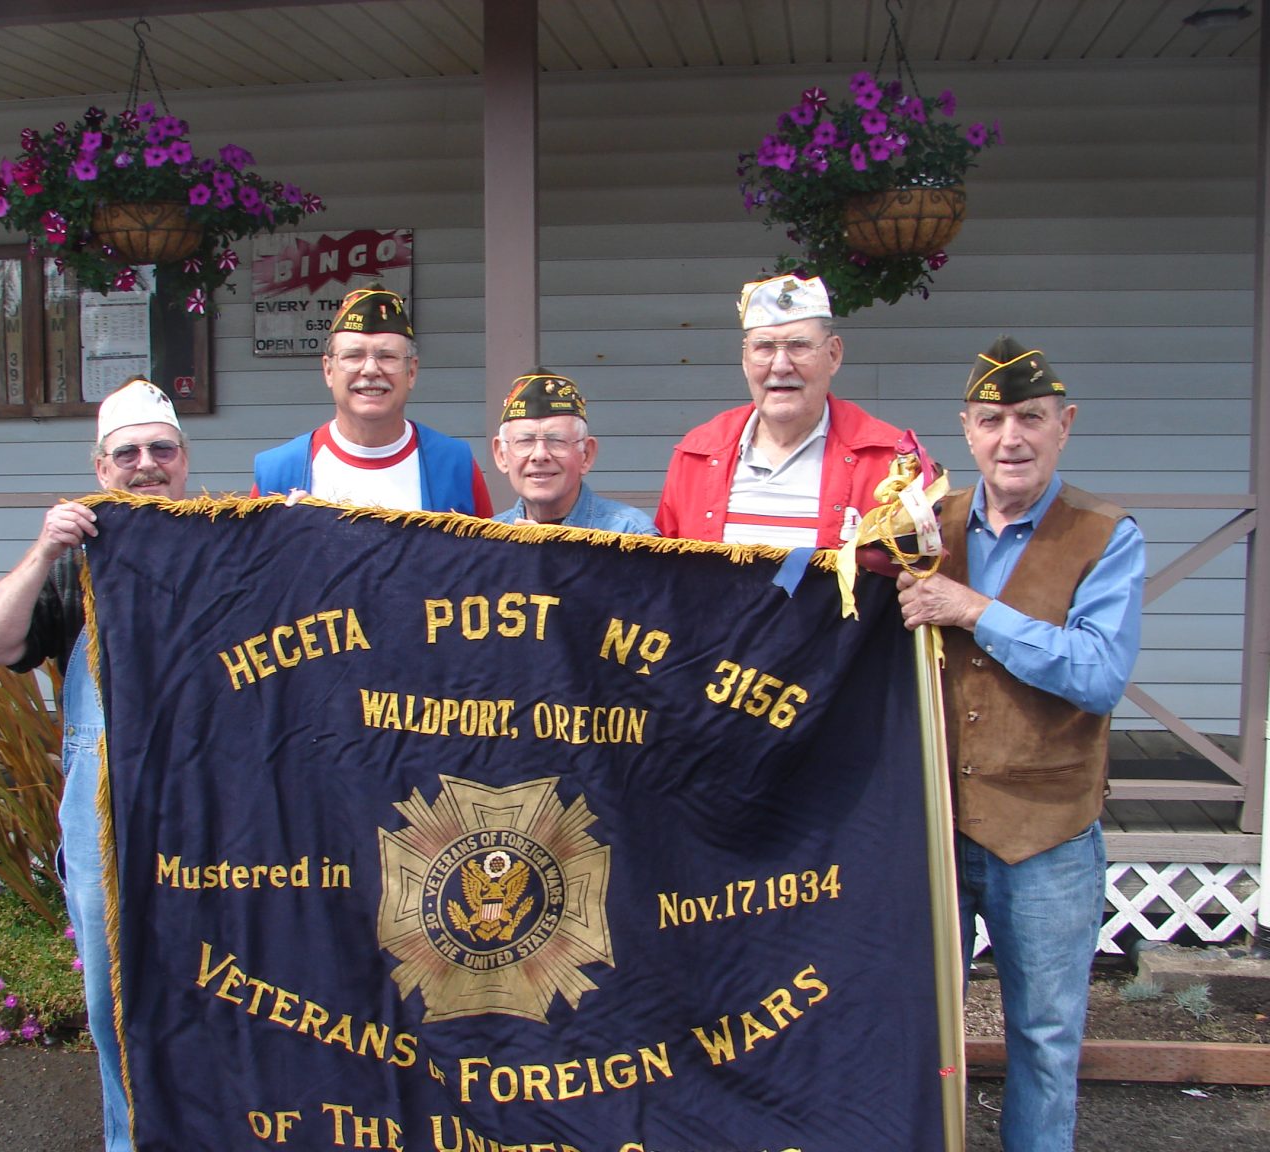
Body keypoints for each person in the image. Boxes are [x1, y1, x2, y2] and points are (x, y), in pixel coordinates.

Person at [897, 336, 1145, 1152]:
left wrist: (974, 610)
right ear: (967, 431)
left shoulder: (1105, 535)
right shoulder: (928, 523)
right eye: (993, 420)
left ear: (1064, 426)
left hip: (1046, 837)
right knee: (923, 1034)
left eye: (1031, 419)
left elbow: (1099, 674)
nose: (1013, 438)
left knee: (1042, 1038)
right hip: (936, 827)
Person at [0, 377, 190, 1152]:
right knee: (113, 1003)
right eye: (127, 452)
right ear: (101, 468)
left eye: (161, 449)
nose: (146, 464)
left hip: (209, 818)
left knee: (220, 995)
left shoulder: (222, 546)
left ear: (184, 460)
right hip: (104, 821)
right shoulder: (73, 558)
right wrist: (42, 550)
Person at [654, 273, 901, 548]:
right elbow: (667, 575)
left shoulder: (892, 460)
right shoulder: (697, 454)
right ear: (745, 359)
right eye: (765, 347)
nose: (781, 366)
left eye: (799, 346)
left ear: (833, 355)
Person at [251, 285, 492, 515]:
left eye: (387, 356)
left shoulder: (454, 467)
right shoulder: (278, 472)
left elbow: (488, 557)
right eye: (353, 356)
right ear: (328, 370)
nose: (370, 369)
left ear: (411, 371)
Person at [491, 370, 658, 534]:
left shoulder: (630, 536)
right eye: (525, 441)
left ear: (587, 454)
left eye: (557, 441)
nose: (540, 455)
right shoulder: (486, 542)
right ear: (501, 455)